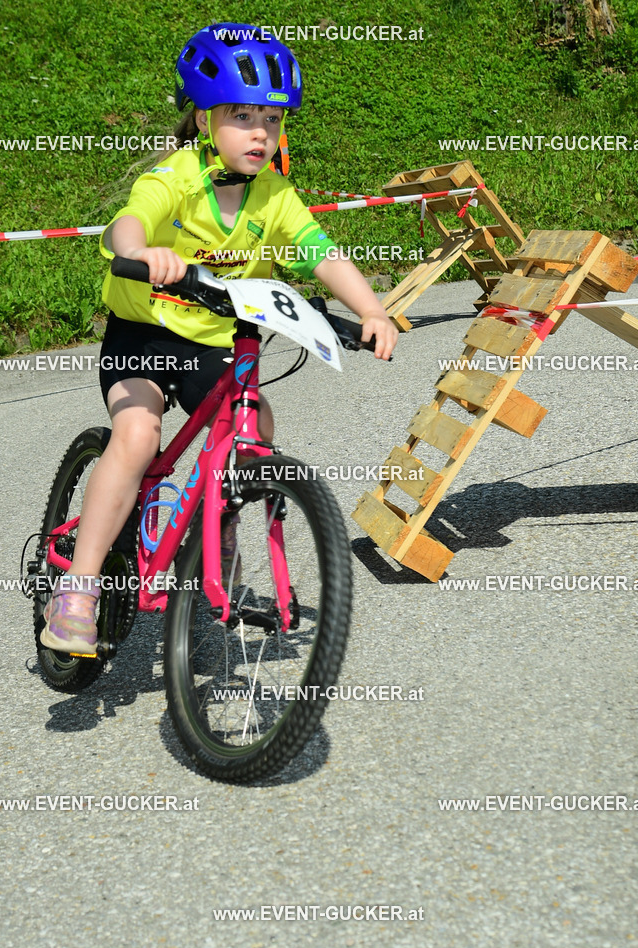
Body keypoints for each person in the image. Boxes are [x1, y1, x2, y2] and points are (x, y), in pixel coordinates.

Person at [41, 22, 398, 655]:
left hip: (217, 343)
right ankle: (81, 587)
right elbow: (128, 224)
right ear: (205, 120)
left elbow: (322, 254)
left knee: (253, 428)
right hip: (145, 334)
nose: (261, 131)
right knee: (137, 434)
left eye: (272, 116)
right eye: (241, 114)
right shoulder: (175, 179)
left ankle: (216, 547)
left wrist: (372, 309)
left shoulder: (276, 195)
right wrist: (145, 253)